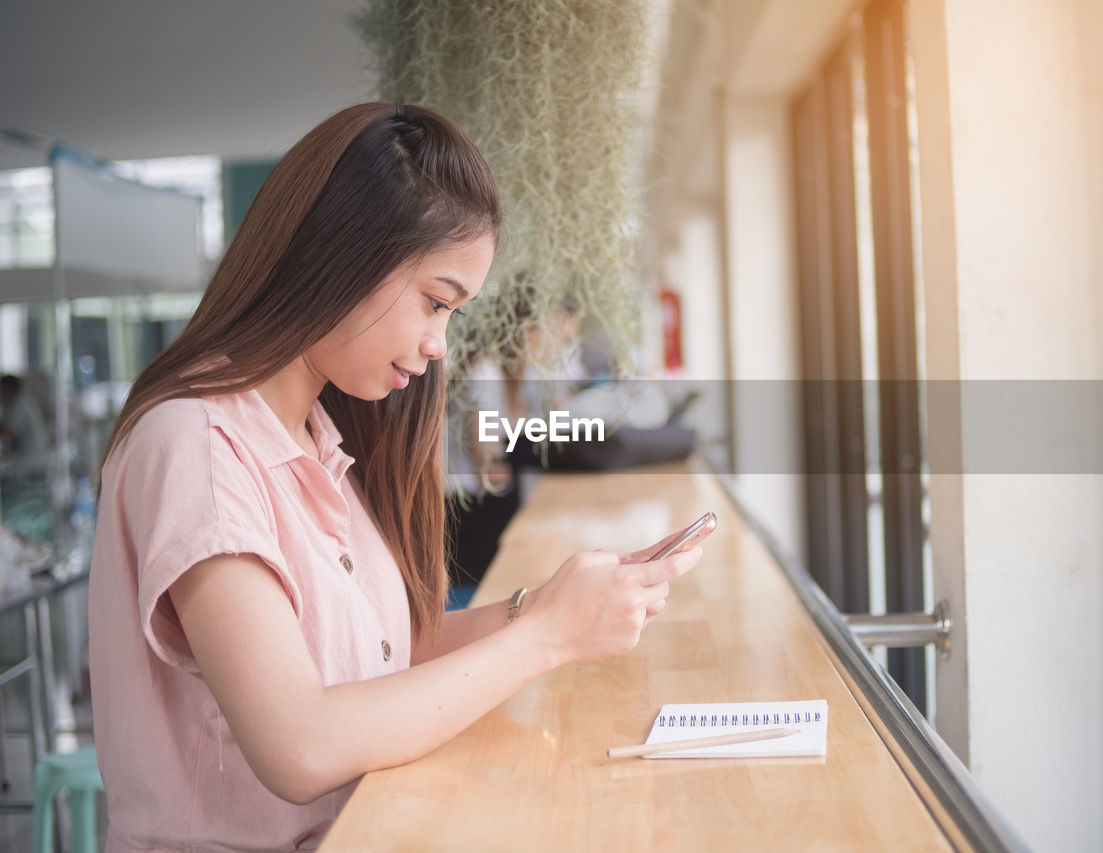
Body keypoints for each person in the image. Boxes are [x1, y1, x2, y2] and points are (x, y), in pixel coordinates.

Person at [87, 102, 701, 852]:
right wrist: (546, 637)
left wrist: (543, 606)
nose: (439, 344)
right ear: (347, 255)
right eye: (435, 302)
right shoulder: (199, 448)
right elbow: (300, 745)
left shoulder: (318, 439)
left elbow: (387, 653)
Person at [0, 373, 48, 456]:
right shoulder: (9, 403)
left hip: (30, 456)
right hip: (23, 454)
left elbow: (7, 432)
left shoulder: (20, 405)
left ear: (9, 388)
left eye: (2, 388)